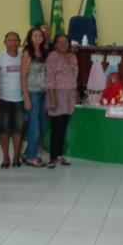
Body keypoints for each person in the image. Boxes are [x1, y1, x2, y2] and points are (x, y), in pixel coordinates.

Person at [46, 34, 78, 168]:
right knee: (56, 128)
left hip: (69, 96)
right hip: (56, 95)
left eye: (66, 42)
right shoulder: (52, 57)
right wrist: (53, 99)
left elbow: (75, 76)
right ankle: (53, 157)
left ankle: (59, 156)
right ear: (55, 44)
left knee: (63, 127)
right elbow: (50, 78)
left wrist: (75, 93)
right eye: (60, 42)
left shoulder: (72, 56)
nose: (63, 45)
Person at [0, 31, 24, 168]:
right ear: (5, 42)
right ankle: (5, 156)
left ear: (19, 42)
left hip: (20, 99)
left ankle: (16, 155)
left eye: (15, 40)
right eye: (9, 40)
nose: (13, 43)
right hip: (3, 99)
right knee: (4, 130)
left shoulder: (24, 57)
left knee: (18, 129)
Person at [21, 27, 47, 167]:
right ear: (30, 38)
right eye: (34, 35)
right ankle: (31, 156)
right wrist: (26, 97)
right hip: (31, 93)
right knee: (34, 126)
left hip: (43, 92)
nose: (38, 38)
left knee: (42, 125)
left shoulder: (44, 51)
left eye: (40, 35)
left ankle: (27, 153)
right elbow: (23, 76)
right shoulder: (28, 52)